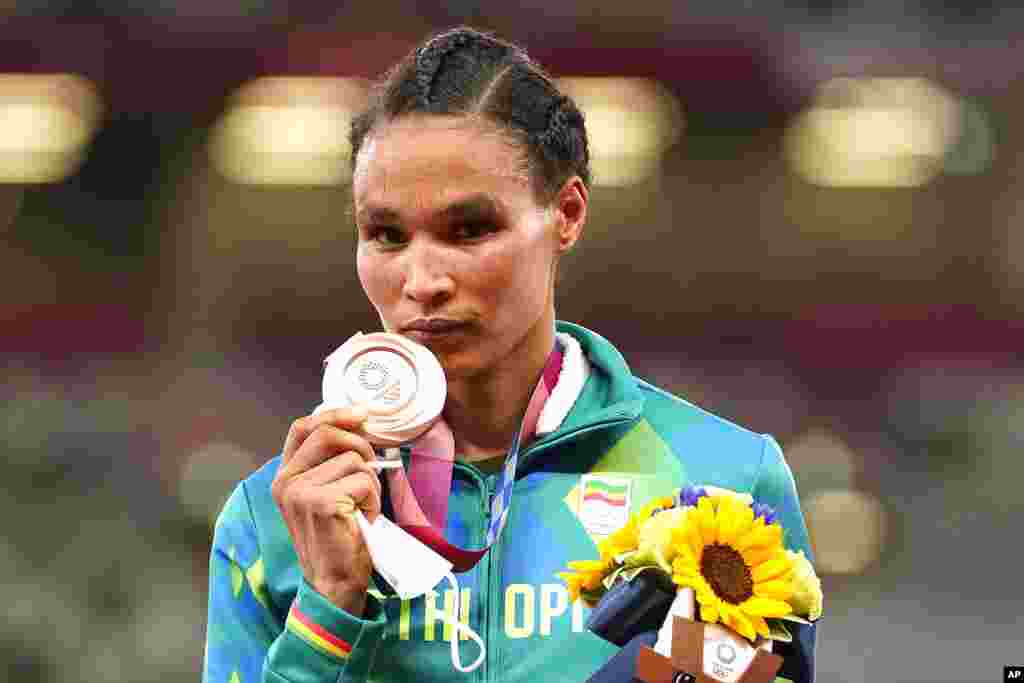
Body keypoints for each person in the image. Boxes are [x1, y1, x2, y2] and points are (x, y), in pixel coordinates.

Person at [202, 26, 816, 683]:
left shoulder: (722, 487)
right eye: (384, 234)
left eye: (470, 229)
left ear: (568, 213)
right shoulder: (275, 519)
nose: (422, 280)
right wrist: (326, 611)